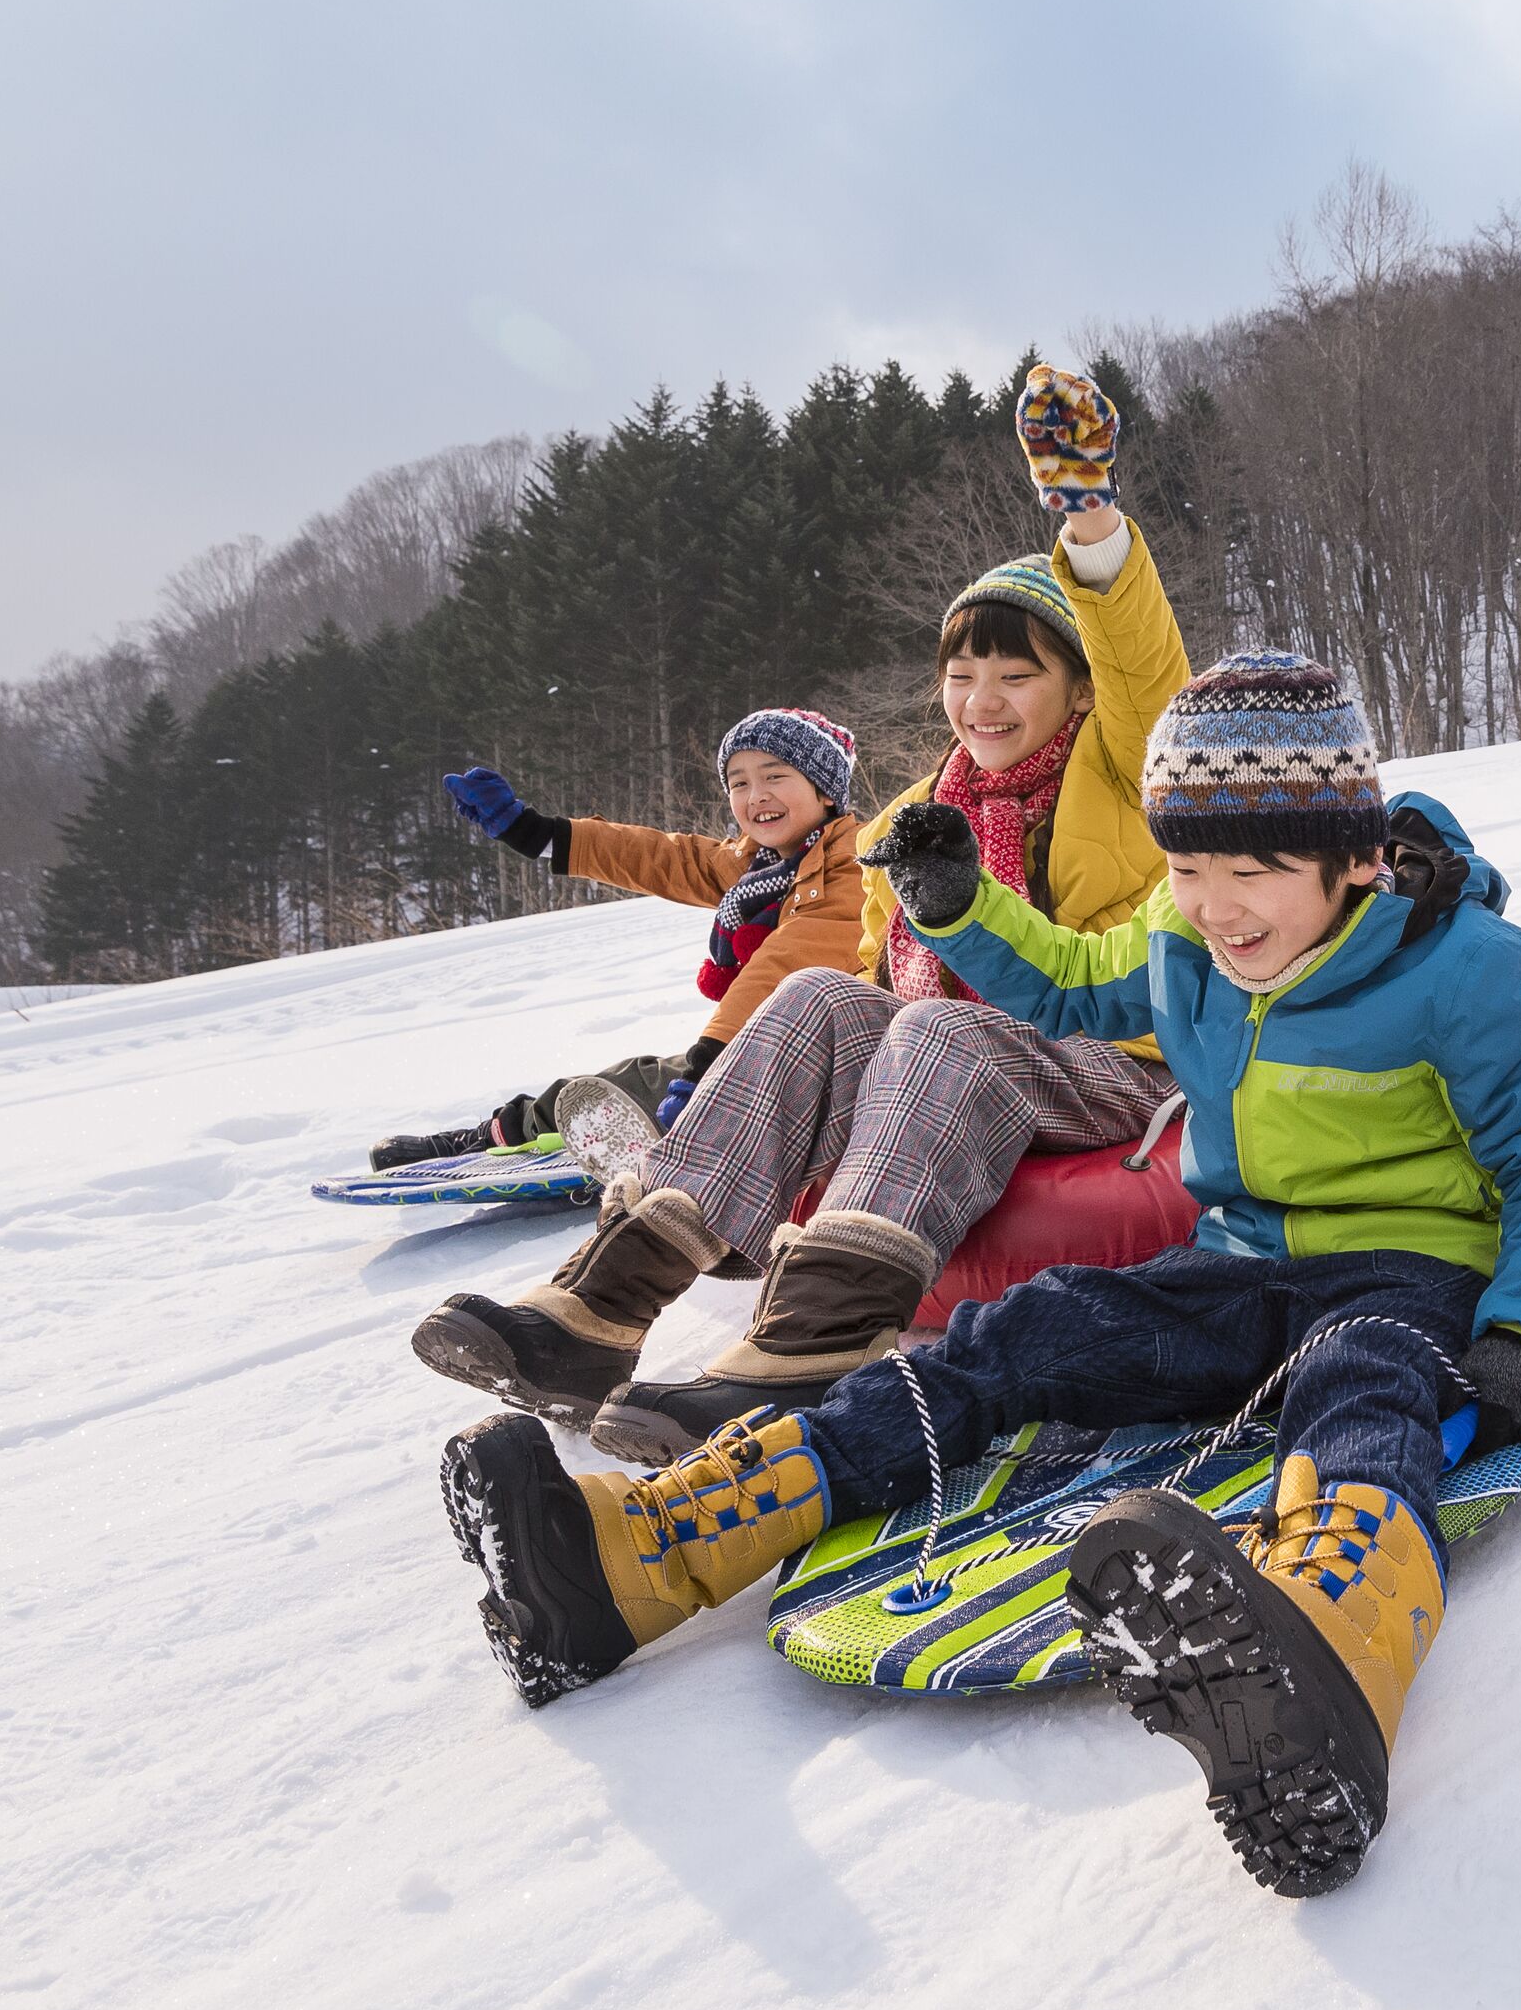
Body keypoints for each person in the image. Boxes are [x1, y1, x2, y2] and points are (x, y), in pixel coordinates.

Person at [435, 654, 1521, 1896]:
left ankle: (1328, 1651)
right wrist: (960, 908)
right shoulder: (1187, 938)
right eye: (1191, 869)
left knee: (1364, 1383)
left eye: (1255, 871)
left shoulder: (1463, 969)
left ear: (1355, 859)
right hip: (1239, 1268)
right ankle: (645, 1554)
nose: (1218, 909)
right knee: (1028, 1330)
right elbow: (1070, 983)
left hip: (1408, 1272)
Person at [408, 364, 1190, 1463]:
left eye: (1017, 675)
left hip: (1118, 1057)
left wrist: (1089, 519)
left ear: (1077, 687)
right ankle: (599, 1307)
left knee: (939, 1027)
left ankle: (811, 1349)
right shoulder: (913, 819)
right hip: (958, 1063)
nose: (983, 701)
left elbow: (1146, 664)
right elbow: (862, 982)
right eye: (962, 674)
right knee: (823, 995)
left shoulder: (1126, 767)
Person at [369, 705, 868, 1169]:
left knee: (636, 1089)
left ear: (825, 791)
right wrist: (534, 831)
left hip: (842, 1066)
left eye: (775, 776)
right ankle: (497, 1136)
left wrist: (707, 1066)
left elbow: (783, 967)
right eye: (739, 783)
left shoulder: (854, 868)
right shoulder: (762, 865)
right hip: (779, 1048)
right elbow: (661, 857)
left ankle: (615, 1138)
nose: (756, 795)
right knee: (618, 1083)